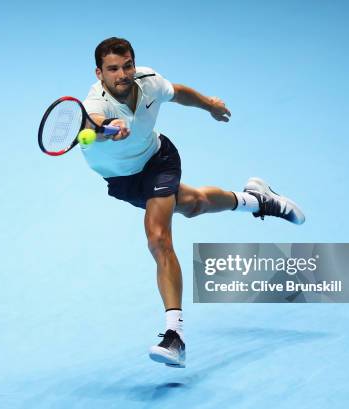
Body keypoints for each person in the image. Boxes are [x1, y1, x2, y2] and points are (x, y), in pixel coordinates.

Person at [81, 37, 305, 368]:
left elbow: (177, 91)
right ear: (99, 73)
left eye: (127, 65)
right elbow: (93, 123)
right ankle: (256, 199)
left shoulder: (148, 80)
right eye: (113, 69)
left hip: (158, 160)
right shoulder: (94, 104)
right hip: (124, 180)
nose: (123, 74)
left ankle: (175, 336)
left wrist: (210, 105)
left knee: (158, 238)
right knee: (195, 203)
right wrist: (107, 127)